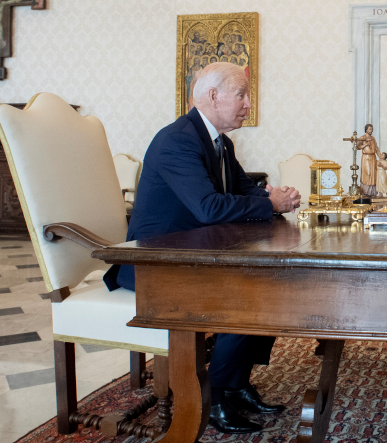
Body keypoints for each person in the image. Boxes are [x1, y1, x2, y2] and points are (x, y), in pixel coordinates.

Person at [103, 62, 301, 434]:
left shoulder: (220, 141)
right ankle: (216, 397)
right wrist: (269, 205)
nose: (248, 104)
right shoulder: (177, 140)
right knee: (246, 297)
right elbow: (208, 207)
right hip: (154, 265)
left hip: (188, 258)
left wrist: (276, 196)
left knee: (271, 285)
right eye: (241, 94)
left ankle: (237, 384)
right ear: (213, 96)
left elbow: (243, 189)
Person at [357, 124, 382, 196]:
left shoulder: (373, 138)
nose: (371, 130)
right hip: (366, 157)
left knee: (373, 174)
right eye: (370, 129)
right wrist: (365, 145)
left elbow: (376, 148)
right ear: (366, 130)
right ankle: (365, 192)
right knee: (367, 173)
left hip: (373, 157)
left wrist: (379, 155)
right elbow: (357, 147)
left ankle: (372, 192)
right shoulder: (362, 138)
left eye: (372, 129)